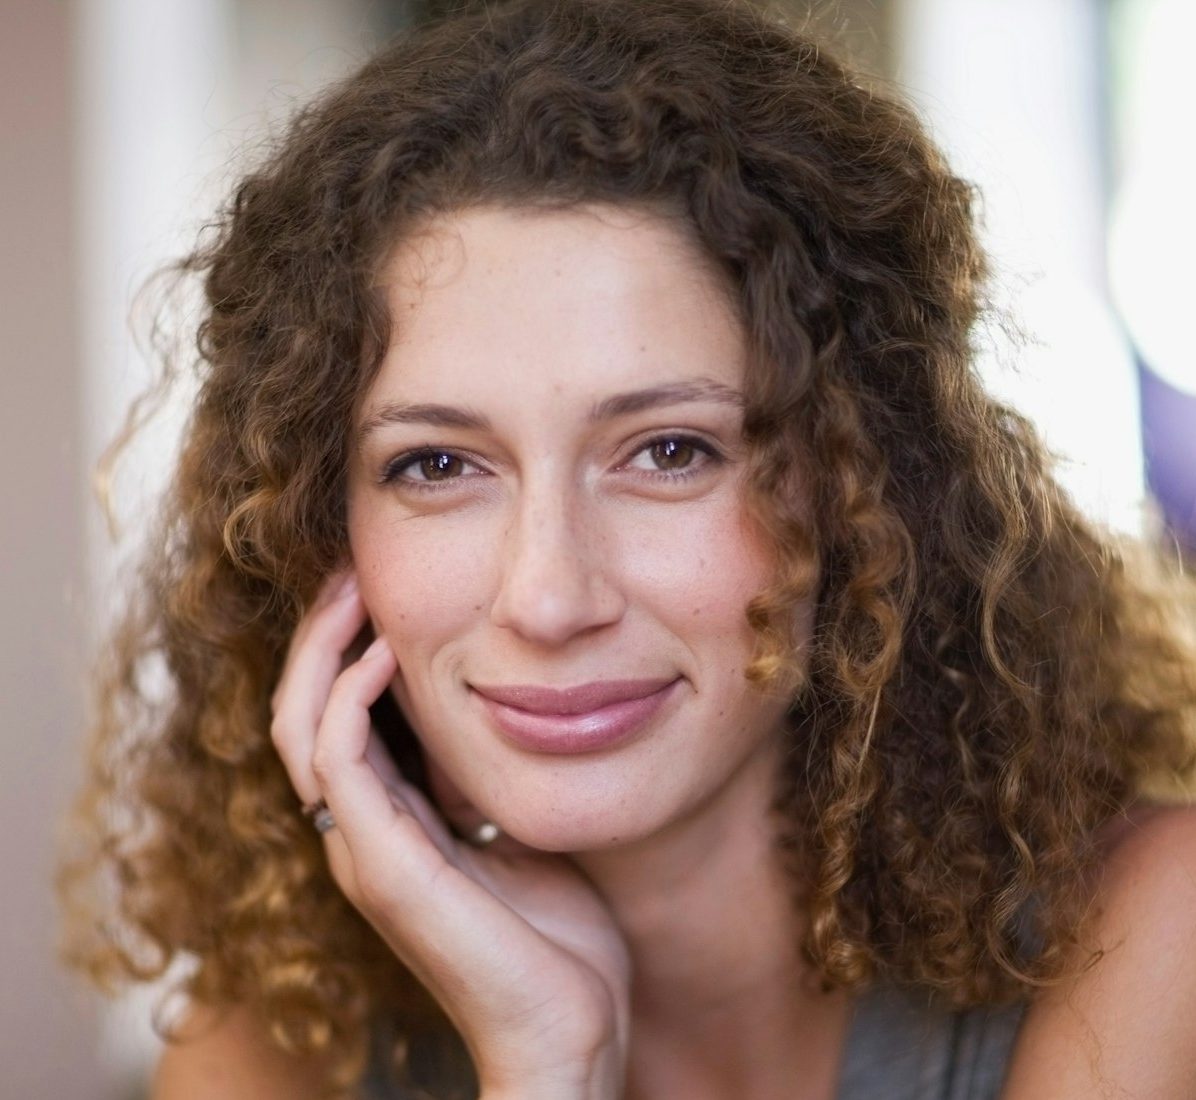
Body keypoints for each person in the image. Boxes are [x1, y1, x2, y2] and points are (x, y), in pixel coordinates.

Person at [60, 0, 1196, 1097]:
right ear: (318, 534)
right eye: (437, 465)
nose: (548, 597)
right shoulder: (269, 1048)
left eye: (666, 451)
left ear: (859, 484)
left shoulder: (1149, 937)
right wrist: (547, 1064)